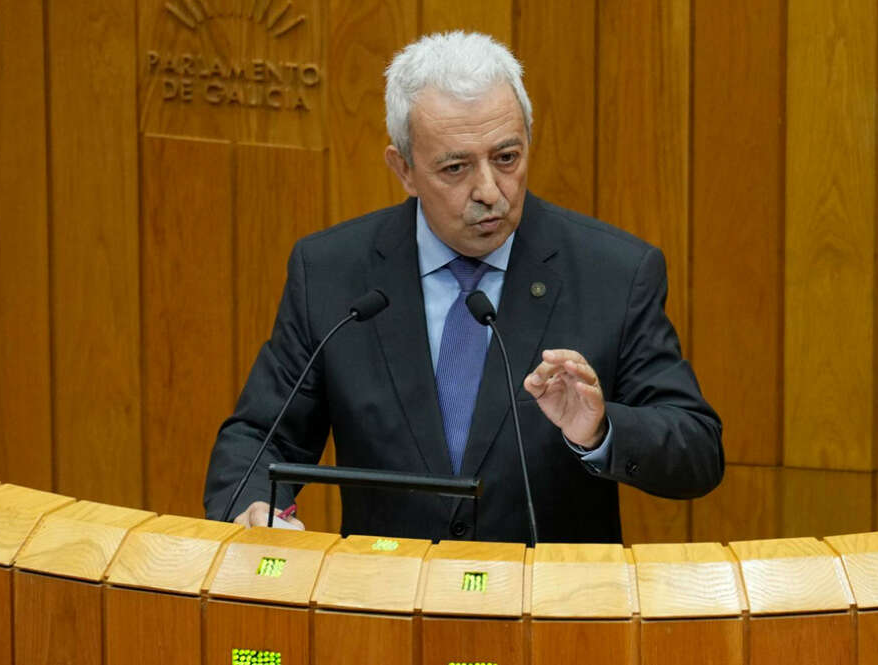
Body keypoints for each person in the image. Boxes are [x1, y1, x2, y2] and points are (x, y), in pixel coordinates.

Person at [204, 31, 723, 544]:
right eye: (455, 167)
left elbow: (697, 449)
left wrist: (601, 430)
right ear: (403, 169)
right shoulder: (334, 273)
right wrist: (255, 508)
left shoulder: (613, 272)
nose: (489, 192)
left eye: (506, 158)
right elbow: (259, 438)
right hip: (382, 609)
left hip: (549, 612)